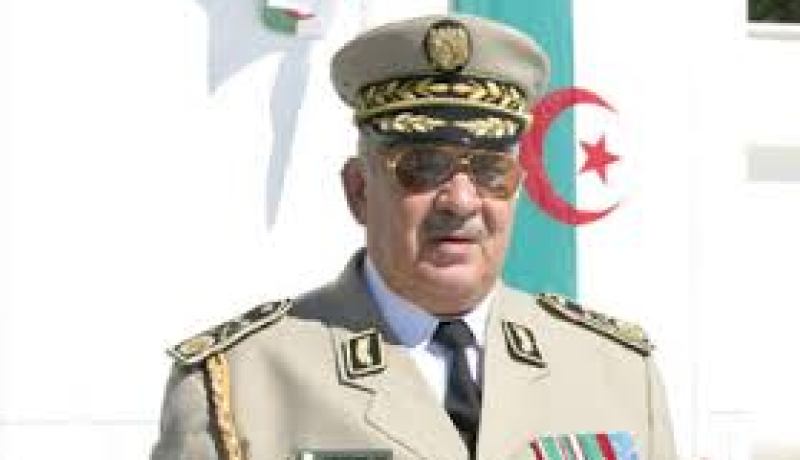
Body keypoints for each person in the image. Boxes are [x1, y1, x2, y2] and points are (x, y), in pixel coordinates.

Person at [151, 14, 677, 460]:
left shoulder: (616, 374)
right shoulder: (243, 382)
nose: (462, 202)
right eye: (423, 168)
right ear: (359, 191)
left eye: (491, 172)